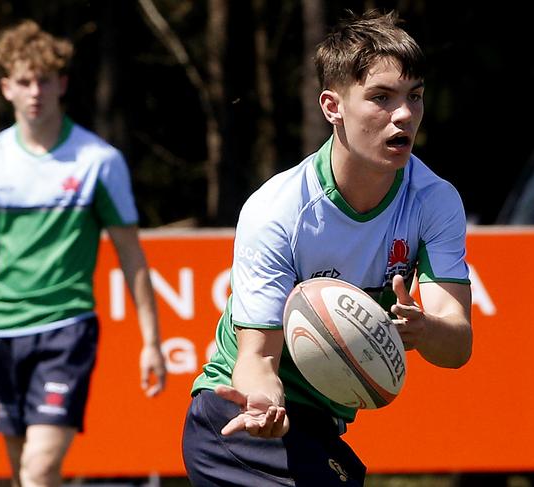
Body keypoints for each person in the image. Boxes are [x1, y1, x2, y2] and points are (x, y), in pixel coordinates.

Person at [182, 9, 472, 487]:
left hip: (316, 428)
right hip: (236, 420)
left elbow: (458, 344)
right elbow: (256, 359)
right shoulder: (277, 209)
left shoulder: (434, 200)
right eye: (381, 98)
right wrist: (264, 404)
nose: (404, 114)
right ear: (332, 106)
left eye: (414, 97)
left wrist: (425, 329)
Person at [0, 20, 167, 487]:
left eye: (44, 80)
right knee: (20, 473)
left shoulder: (98, 161)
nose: (35, 92)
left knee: (38, 469)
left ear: (61, 84)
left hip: (64, 331)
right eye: (24, 82)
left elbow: (132, 256)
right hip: (1, 332)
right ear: (6, 88)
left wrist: (151, 341)